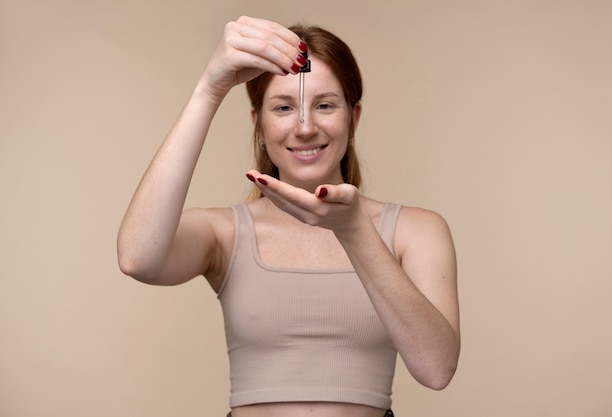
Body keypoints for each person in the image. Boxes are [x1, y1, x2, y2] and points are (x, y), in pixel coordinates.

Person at [117, 16, 460, 417]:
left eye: (325, 105)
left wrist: (354, 232)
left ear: (354, 117)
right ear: (258, 124)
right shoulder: (225, 233)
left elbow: (437, 369)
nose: (305, 127)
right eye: (283, 107)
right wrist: (210, 89)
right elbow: (136, 258)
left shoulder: (416, 231)